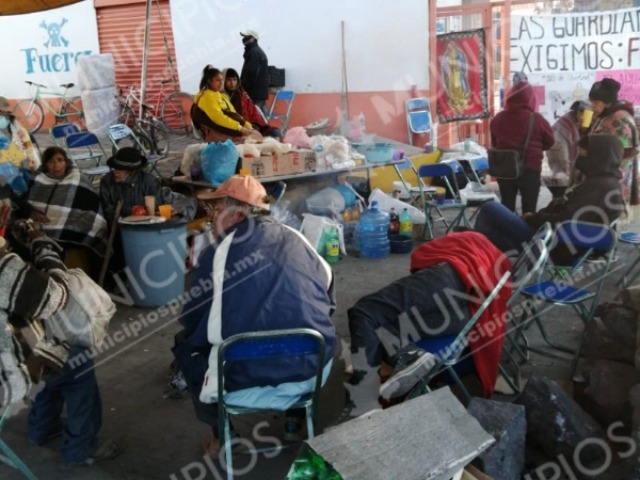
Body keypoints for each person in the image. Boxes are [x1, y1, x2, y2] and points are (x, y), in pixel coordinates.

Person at [172, 174, 336, 455]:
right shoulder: (300, 240)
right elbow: (328, 302)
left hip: (240, 379)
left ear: (237, 213)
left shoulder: (216, 254)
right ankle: (296, 421)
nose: (211, 218)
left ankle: (225, 437)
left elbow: (193, 321)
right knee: (312, 330)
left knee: (185, 346)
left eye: (216, 209)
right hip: (310, 370)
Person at [0, 219, 120, 466]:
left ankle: (41, 429)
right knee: (76, 364)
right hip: (11, 370)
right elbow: (55, 296)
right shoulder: (4, 270)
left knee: (50, 366)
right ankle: (81, 448)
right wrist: (41, 243)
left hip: (11, 358)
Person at [346, 232, 510, 409]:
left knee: (364, 311)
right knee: (384, 321)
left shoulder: (447, 255)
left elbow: (424, 268)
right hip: (478, 311)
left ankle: (361, 399)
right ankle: (406, 355)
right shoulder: (482, 247)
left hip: (457, 283)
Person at [474, 134, 625, 261]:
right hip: (559, 238)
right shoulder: (605, 183)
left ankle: (476, 247)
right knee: (495, 229)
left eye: (583, 156)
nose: (579, 161)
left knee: (491, 208)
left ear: (598, 158)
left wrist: (533, 218)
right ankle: (479, 246)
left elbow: (567, 220)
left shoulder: (600, 187)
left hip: (555, 243)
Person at [28, 146, 108, 261]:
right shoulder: (38, 179)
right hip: (43, 224)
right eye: (51, 162)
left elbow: (92, 207)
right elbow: (31, 205)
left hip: (73, 223)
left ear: (66, 162)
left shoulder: (77, 178)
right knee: (30, 231)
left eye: (60, 160)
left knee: (95, 229)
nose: (56, 166)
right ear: (45, 165)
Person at [490, 80, 555, 213]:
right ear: (531, 99)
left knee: (506, 207)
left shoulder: (498, 119)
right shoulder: (537, 119)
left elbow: (494, 143)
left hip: (505, 169)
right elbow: (550, 142)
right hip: (530, 169)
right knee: (529, 209)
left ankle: (507, 232)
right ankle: (526, 232)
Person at [588, 77, 639, 203]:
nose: (592, 107)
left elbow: (617, 152)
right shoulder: (608, 116)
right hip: (609, 177)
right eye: (592, 102)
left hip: (613, 178)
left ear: (607, 102)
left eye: (596, 102)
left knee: (609, 211)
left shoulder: (618, 119)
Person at [192, 65, 262, 144]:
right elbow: (218, 118)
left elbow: (233, 113)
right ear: (209, 81)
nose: (221, 83)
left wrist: (246, 125)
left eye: (222, 80)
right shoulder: (207, 97)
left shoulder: (222, 95)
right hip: (216, 131)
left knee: (255, 134)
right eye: (217, 80)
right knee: (250, 140)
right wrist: (239, 128)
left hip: (228, 127)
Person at [99, 147, 163, 225]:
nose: (115, 172)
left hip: (147, 227)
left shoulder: (150, 182)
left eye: (119, 169)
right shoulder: (107, 182)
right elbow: (106, 211)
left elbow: (158, 208)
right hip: (119, 228)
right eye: (114, 168)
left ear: (131, 172)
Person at [546, 100, 590, 196]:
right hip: (561, 170)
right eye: (581, 114)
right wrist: (568, 171)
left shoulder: (576, 124)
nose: (583, 118)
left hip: (567, 170)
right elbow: (562, 152)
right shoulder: (564, 127)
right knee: (562, 198)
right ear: (578, 112)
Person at [224, 68, 281, 139]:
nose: (232, 83)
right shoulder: (221, 97)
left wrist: (255, 126)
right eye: (229, 80)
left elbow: (253, 111)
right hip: (235, 129)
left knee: (276, 133)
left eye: (234, 80)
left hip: (251, 125)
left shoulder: (242, 94)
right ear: (223, 81)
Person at [240, 30, 269, 113]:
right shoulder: (255, 51)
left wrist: (243, 88)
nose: (244, 38)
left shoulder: (254, 52)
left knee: (256, 116)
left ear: (253, 38)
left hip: (254, 93)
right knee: (260, 115)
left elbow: (251, 73)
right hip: (258, 92)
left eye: (246, 37)